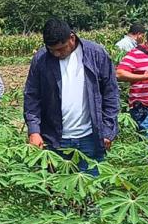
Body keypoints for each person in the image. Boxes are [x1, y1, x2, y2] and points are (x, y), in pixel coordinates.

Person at [23, 18, 120, 176]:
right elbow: (31, 97)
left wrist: (108, 129)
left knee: (90, 190)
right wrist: (34, 131)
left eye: (61, 49)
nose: (56, 54)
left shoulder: (96, 54)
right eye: (52, 50)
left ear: (72, 38)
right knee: (57, 192)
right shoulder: (41, 59)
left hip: (90, 137)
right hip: (54, 139)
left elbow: (111, 93)